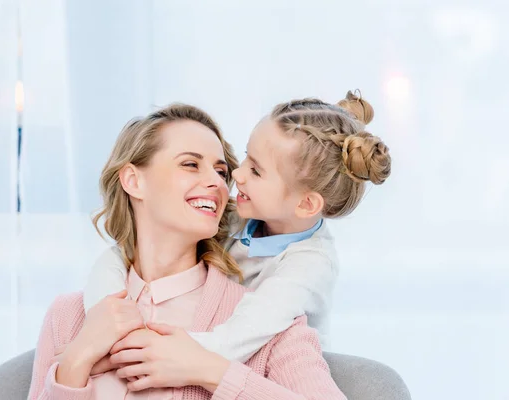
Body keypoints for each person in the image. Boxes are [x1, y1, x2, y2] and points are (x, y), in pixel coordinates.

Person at [27, 104, 346, 399]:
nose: (220, 182)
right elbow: (118, 254)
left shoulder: (271, 324)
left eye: (220, 172)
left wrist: (212, 373)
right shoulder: (67, 315)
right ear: (133, 181)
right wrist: (78, 359)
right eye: (191, 164)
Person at [84, 91, 392, 362]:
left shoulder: (310, 266)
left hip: (278, 366)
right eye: (245, 158)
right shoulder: (236, 217)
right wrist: (105, 313)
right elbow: (123, 252)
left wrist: (141, 345)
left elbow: (233, 341)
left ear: (306, 204)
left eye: (256, 171)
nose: (235, 175)